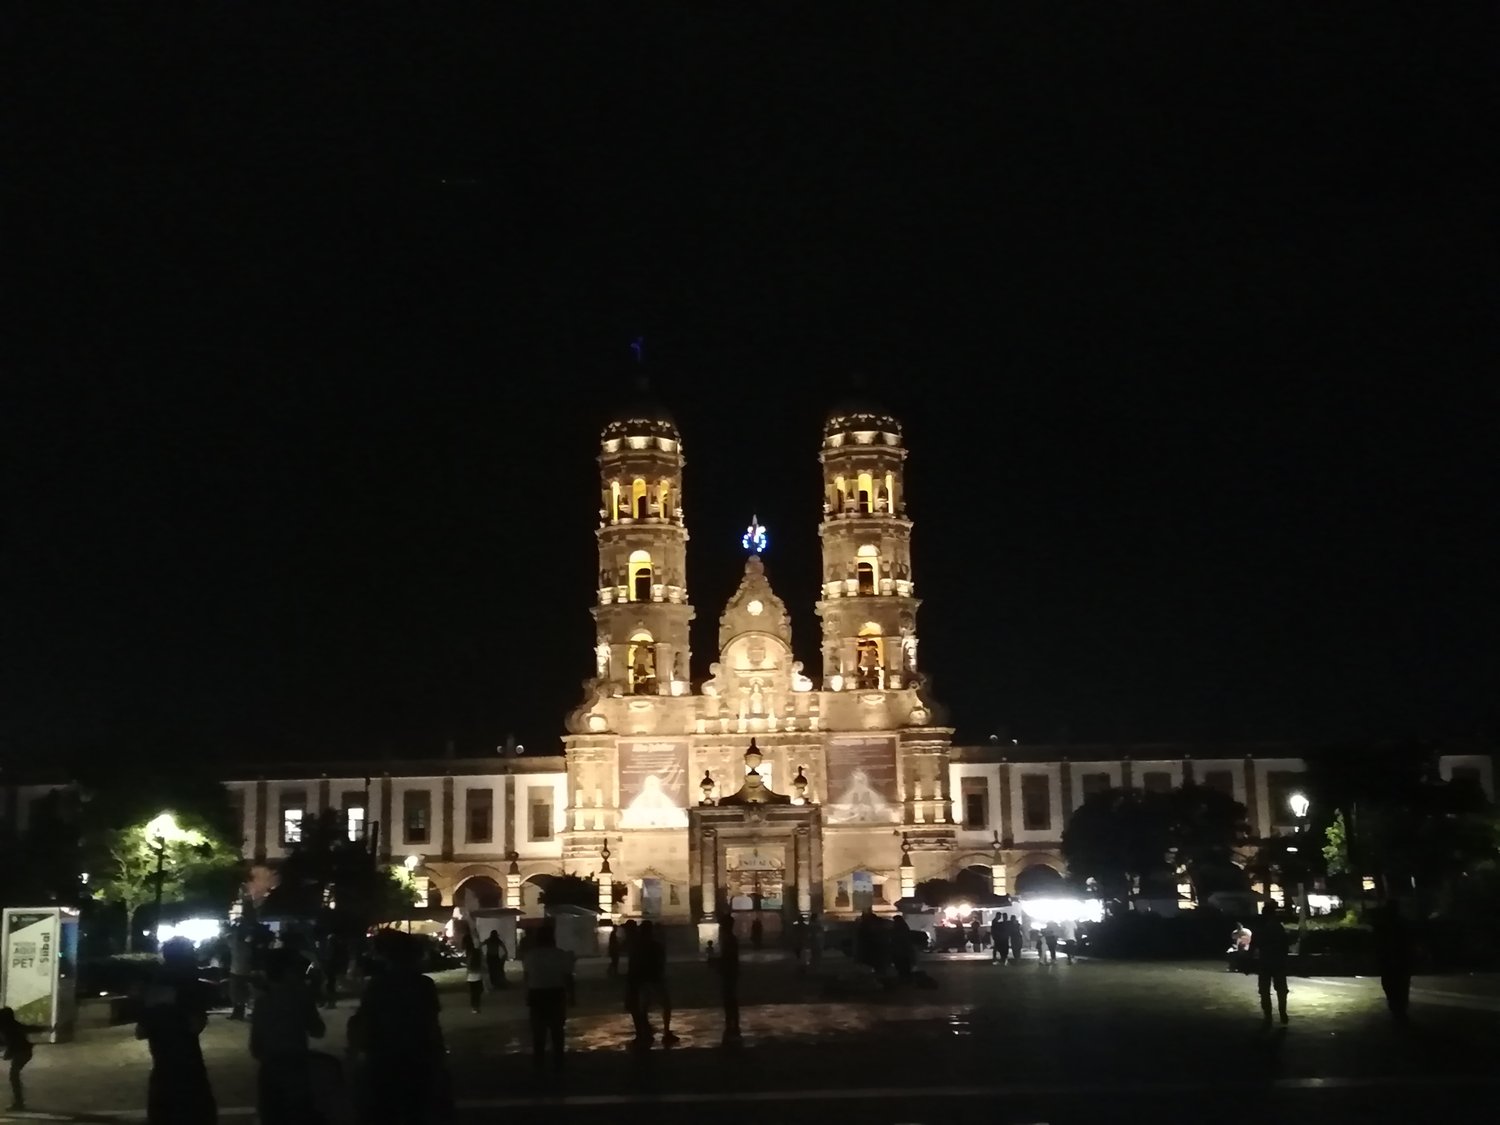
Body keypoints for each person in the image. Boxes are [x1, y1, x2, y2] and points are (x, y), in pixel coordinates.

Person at [348, 932, 450, 1125]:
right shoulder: (423, 984)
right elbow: (431, 1024)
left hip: (383, 1056)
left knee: (386, 1111)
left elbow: (367, 1020)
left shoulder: (378, 985)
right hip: (418, 1055)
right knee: (416, 1110)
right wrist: (438, 1057)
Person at [135, 937, 218, 1124]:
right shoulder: (190, 986)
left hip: (161, 1065)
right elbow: (195, 1025)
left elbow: (141, 1031)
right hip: (188, 1064)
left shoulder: (155, 986)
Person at [250, 946, 326, 1124]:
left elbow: (255, 1047)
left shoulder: (262, 1002)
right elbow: (318, 1031)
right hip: (297, 1066)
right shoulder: (300, 997)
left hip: (270, 1069)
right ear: (288, 972)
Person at [521, 924, 576, 1073]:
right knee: (557, 1031)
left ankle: (539, 1062)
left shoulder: (530, 956)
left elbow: (526, 977)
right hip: (556, 994)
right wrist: (571, 996)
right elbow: (567, 976)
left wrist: (526, 995)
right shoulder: (560, 955)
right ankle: (558, 1061)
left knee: (538, 1032)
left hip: (537, 994)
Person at [628, 920, 677, 1046]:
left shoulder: (639, 946)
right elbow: (660, 962)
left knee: (643, 1007)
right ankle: (664, 1031)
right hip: (655, 979)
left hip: (645, 980)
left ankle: (645, 1032)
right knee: (665, 1005)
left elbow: (635, 963)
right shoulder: (655, 945)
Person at [1372, 900, 1415, 1022]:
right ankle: (1399, 1008)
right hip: (1399, 960)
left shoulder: (1387, 924)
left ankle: (1397, 1008)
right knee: (1399, 985)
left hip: (1394, 960)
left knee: (1393, 985)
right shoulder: (1400, 923)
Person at [1251, 902, 1291, 1026]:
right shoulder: (1278, 927)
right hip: (1278, 962)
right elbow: (1285, 944)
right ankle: (1282, 1013)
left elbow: (1254, 945)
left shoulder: (1260, 928)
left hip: (1265, 962)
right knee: (1281, 989)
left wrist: (1248, 960)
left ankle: (1268, 1015)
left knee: (1264, 990)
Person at [0, 1008, 44, 1112]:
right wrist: (45, 1028)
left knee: (14, 1076)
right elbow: (30, 1028)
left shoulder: (8, 1028)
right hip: (24, 1051)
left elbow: (12, 1044)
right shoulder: (12, 1025)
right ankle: (18, 1102)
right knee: (14, 1076)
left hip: (22, 1052)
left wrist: (7, 1054)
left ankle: (18, 1102)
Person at [717, 913, 741, 1038]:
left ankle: (732, 1023)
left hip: (729, 972)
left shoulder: (729, 940)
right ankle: (733, 1022)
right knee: (730, 997)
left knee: (729, 998)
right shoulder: (730, 939)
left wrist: (718, 964)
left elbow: (729, 958)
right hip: (731, 972)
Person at [463, 937, 485, 1013]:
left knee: (473, 993)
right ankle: (476, 1006)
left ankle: (474, 1007)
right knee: (477, 993)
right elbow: (482, 963)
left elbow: (468, 966)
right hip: (477, 975)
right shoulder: (477, 952)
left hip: (471, 976)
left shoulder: (470, 954)